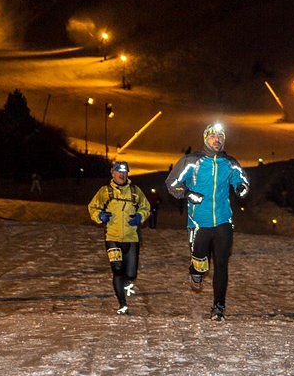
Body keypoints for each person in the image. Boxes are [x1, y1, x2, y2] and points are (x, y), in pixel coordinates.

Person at [166, 122, 250, 321]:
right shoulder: (192, 161)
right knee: (201, 263)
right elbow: (172, 183)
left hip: (223, 220)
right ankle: (195, 271)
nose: (217, 140)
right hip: (199, 222)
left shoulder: (229, 162)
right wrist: (188, 193)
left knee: (222, 265)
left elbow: (242, 180)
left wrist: (240, 187)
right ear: (206, 138)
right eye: (213, 136)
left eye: (220, 137)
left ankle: (218, 308)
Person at [88, 161, 151, 315]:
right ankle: (122, 303)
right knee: (117, 270)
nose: (122, 175)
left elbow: (146, 207)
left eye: (124, 172)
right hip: (112, 237)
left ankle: (126, 283)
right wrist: (100, 215)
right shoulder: (105, 192)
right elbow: (92, 207)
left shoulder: (135, 192)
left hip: (131, 238)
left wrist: (139, 216)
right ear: (113, 173)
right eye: (118, 172)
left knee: (130, 274)